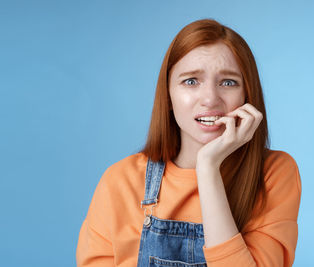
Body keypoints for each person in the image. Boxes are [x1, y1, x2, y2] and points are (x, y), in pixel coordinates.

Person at [76, 18, 302, 267]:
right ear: (169, 95)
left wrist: (207, 168)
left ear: (247, 94)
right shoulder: (120, 181)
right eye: (191, 81)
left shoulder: (273, 174)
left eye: (228, 82)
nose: (210, 99)